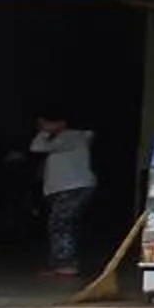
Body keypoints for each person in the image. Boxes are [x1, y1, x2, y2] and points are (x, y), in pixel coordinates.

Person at [28, 114, 96, 278]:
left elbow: (37, 147)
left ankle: (66, 264)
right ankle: (62, 262)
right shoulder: (70, 138)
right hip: (67, 188)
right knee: (61, 223)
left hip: (72, 187)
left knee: (61, 224)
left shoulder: (72, 136)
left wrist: (46, 132)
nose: (42, 127)